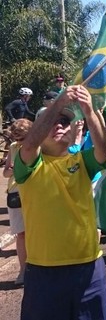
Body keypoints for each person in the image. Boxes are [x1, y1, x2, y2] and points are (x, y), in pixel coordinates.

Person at [14, 85, 106, 319]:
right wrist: (58, 103)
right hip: (44, 272)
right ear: (38, 130)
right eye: (51, 122)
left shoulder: (83, 161)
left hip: (90, 268)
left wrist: (89, 110)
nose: (59, 125)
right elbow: (29, 145)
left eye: (65, 122)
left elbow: (103, 149)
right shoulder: (28, 165)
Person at [3, 118, 33, 286]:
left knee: (36, 231)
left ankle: (40, 267)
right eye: (16, 139)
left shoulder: (39, 146)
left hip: (34, 192)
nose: (19, 142)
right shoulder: (13, 148)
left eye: (22, 138)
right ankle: (23, 270)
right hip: (16, 193)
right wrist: (11, 169)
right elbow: (6, 174)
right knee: (21, 234)